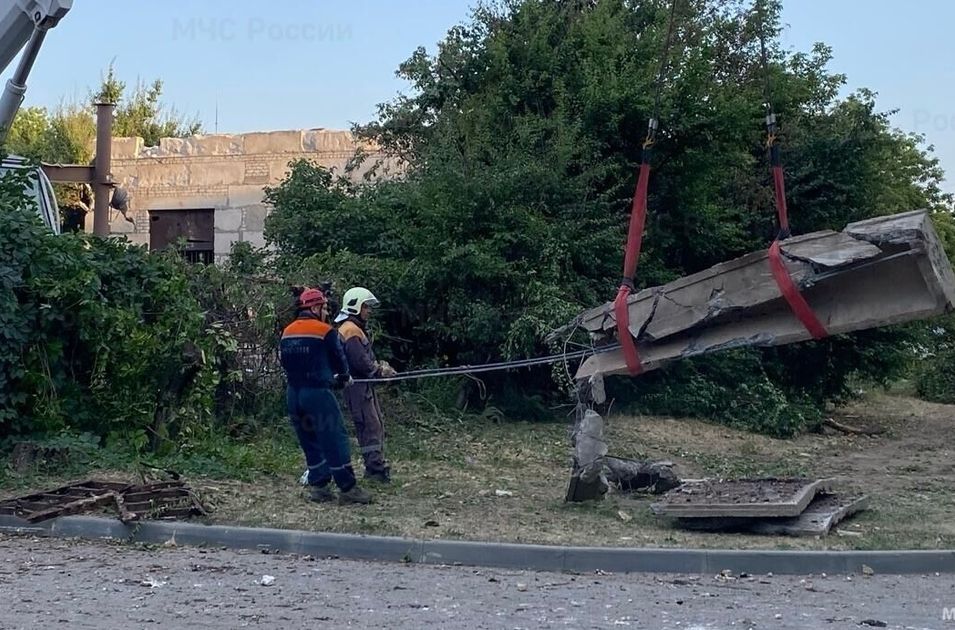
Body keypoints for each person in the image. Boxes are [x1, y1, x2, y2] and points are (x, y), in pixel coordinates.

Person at [280, 286, 372, 505]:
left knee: (309, 440)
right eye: (323, 307)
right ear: (314, 307)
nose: (326, 312)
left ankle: (319, 487)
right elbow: (339, 361)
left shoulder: (287, 331)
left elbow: (284, 362)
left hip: (293, 394)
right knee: (334, 438)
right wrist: (343, 378)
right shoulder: (324, 331)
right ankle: (348, 489)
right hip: (318, 394)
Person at [334, 287, 397, 483]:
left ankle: (374, 464)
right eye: (366, 307)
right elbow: (360, 362)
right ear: (355, 307)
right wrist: (379, 371)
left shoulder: (352, 328)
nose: (369, 311)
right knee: (370, 426)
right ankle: (375, 468)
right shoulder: (351, 330)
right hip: (357, 386)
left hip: (361, 385)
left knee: (373, 424)